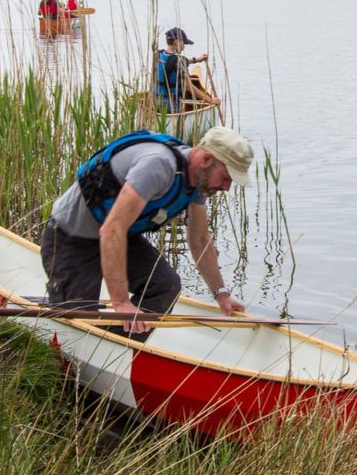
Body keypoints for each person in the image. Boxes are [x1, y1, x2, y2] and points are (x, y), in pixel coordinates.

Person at [40, 126, 252, 341]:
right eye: (226, 177)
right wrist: (121, 303)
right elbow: (112, 230)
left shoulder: (198, 182)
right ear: (206, 159)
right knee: (78, 320)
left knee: (165, 286)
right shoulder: (157, 166)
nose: (227, 187)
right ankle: (93, 337)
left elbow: (199, 240)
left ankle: (120, 346)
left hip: (119, 237)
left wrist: (221, 293)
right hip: (72, 237)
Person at [155, 27, 218, 112]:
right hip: (171, 106)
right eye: (183, 43)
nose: (184, 47)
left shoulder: (158, 54)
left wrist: (196, 60)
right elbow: (188, 86)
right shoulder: (179, 61)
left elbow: (171, 61)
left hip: (155, 101)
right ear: (177, 42)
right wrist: (210, 100)